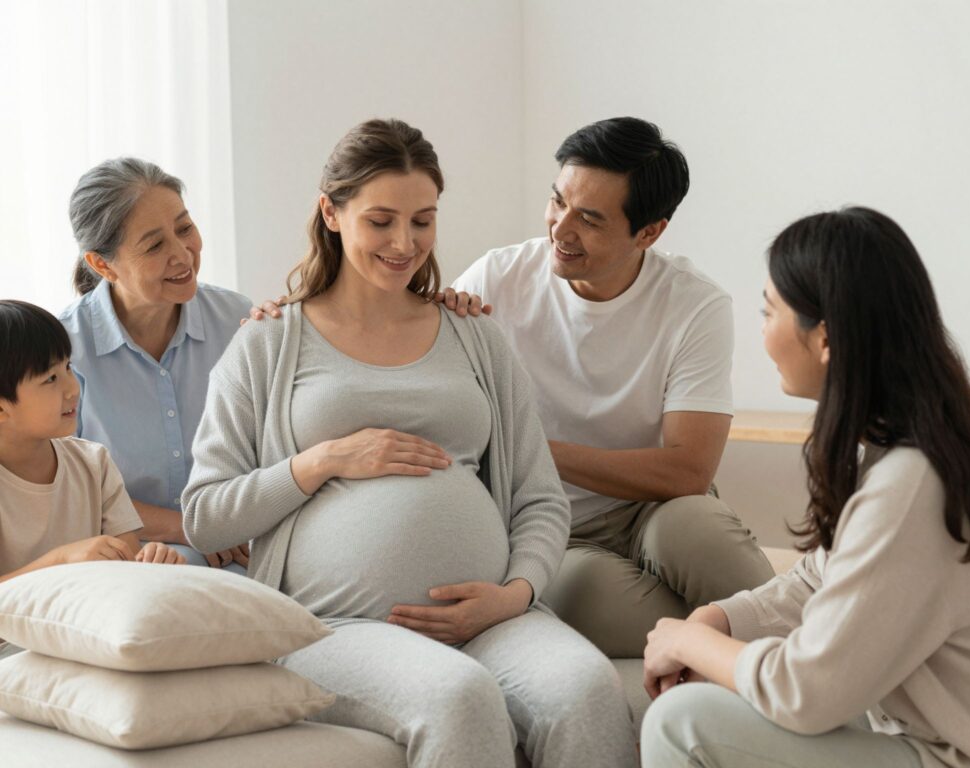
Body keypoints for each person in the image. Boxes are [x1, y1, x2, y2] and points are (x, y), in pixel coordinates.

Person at [182, 118, 637, 768]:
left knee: (586, 690)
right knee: (459, 697)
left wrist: (515, 595)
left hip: (493, 619)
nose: (405, 242)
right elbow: (205, 518)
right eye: (381, 221)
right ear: (331, 214)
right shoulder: (269, 342)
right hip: (334, 627)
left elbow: (539, 498)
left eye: (422, 220)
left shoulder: (474, 334)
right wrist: (324, 461)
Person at [640, 207, 970, 768]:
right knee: (722, 688)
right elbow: (822, 577)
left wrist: (687, 642)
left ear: (824, 338)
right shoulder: (909, 448)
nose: (763, 330)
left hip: (966, 757)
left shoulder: (912, 484)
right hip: (932, 733)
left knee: (682, 723)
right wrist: (716, 620)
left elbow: (806, 692)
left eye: (770, 311)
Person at [449, 117, 774, 656]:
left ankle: (817, 662)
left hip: (655, 507)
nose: (560, 229)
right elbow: (399, 359)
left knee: (699, 532)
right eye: (558, 202)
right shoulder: (495, 279)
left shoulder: (694, 305)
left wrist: (529, 448)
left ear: (649, 232)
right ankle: (758, 642)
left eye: (590, 219)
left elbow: (688, 471)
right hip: (548, 523)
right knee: (588, 595)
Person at [59, 158, 251, 572]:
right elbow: (67, 493)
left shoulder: (238, 320)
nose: (182, 254)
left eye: (184, 228)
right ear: (102, 265)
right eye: (154, 245)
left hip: (241, 543)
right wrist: (193, 529)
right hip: (133, 560)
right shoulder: (62, 351)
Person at [0, 301, 184, 660]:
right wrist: (61, 561)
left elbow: (125, 570)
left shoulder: (93, 462)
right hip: (16, 651)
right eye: (50, 378)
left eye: (67, 367)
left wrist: (153, 563)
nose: (72, 387)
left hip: (93, 639)